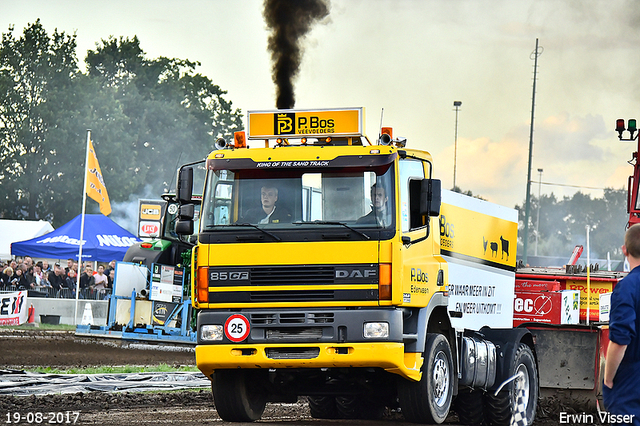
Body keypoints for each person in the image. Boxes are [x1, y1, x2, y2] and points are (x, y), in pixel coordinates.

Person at [603, 223, 640, 424]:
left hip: (630, 385)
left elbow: (620, 341)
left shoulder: (626, 288)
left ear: (624, 250)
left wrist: (608, 380)